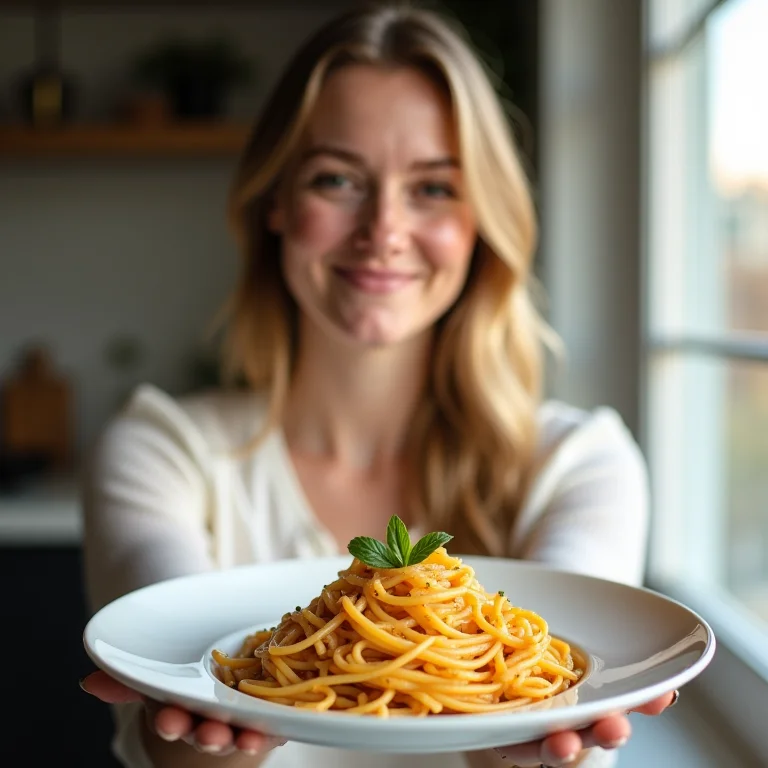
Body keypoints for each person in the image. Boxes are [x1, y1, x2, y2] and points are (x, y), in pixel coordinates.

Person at [79, 3, 677, 767]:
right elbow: (176, 717)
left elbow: (558, 698)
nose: (384, 229)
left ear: (481, 222)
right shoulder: (160, 452)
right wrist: (207, 733)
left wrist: (520, 746)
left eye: (432, 189)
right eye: (337, 179)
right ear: (275, 204)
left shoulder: (581, 462)